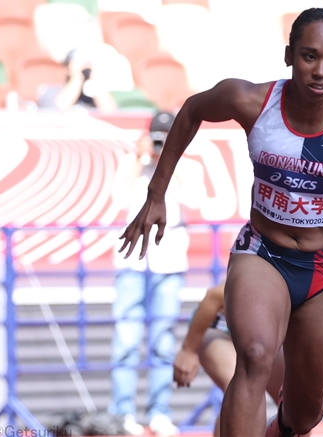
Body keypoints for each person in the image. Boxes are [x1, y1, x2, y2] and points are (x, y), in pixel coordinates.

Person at [118, 7, 323, 437]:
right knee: (254, 357)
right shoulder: (252, 101)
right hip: (264, 254)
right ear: (289, 54)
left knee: (305, 410)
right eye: (309, 56)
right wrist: (156, 193)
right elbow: (192, 110)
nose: (320, 70)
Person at [173, 230, 323, 437]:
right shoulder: (285, 270)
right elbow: (213, 297)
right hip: (219, 331)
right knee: (244, 384)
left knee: (299, 405)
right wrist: (188, 350)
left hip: (266, 343)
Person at [109, 112, 202, 437]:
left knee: (163, 343)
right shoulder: (133, 162)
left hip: (169, 262)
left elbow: (196, 200)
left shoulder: (186, 166)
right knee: (126, 341)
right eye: (158, 136)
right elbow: (117, 199)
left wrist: (169, 163)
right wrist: (140, 159)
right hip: (132, 263)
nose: (162, 141)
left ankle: (159, 413)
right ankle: (121, 413)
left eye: (168, 135)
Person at [37, 48, 117, 112]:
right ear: (65, 69)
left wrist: (96, 81)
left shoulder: (94, 95)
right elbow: (57, 110)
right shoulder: (51, 90)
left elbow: (112, 113)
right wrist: (76, 77)